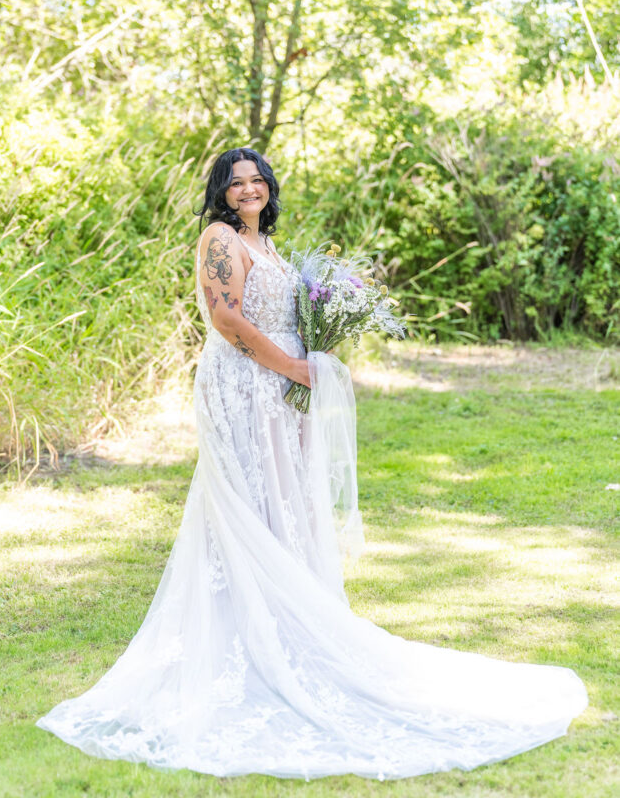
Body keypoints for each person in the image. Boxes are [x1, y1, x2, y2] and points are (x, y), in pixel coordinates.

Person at [37, 146, 588, 780]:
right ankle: (247, 637)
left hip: (278, 392)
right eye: (236, 183)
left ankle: (290, 624)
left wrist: (306, 364)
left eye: (257, 181)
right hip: (245, 387)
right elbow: (225, 317)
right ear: (221, 192)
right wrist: (297, 367)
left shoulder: (266, 243)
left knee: (285, 505)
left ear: (269, 187)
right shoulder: (219, 238)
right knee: (247, 503)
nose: (249, 190)